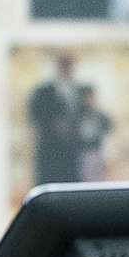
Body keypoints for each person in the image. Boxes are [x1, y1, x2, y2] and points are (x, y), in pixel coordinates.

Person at [28, 54, 85, 188]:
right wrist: (53, 126)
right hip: (50, 151)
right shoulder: (43, 92)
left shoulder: (78, 91)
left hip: (72, 153)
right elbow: (35, 115)